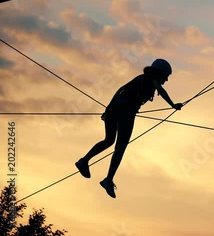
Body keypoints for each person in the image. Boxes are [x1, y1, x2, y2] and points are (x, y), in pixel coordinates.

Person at [75, 59, 183, 198]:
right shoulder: (152, 79)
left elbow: (120, 90)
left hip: (114, 107)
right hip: (126, 111)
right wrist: (173, 105)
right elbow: (161, 91)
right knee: (120, 147)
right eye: (166, 76)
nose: (167, 79)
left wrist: (108, 109)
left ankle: (84, 160)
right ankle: (108, 179)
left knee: (108, 140)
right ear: (159, 73)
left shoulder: (140, 79)